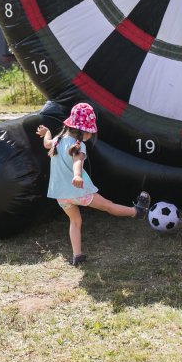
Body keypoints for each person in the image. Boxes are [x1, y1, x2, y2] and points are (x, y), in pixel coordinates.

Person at [37, 103, 150, 266]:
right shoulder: (78, 145)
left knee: (75, 222)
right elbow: (77, 161)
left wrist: (46, 132)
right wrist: (77, 176)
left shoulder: (58, 140)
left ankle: (77, 256)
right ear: (83, 132)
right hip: (79, 192)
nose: (91, 135)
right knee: (109, 206)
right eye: (90, 132)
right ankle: (137, 212)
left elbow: (46, 143)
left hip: (61, 195)